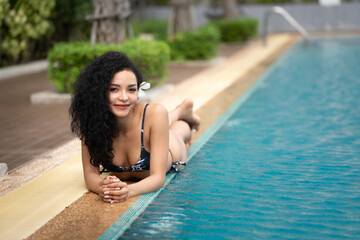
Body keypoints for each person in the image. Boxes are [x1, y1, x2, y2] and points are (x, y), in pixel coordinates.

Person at [69, 51, 200, 203]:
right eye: (114, 89)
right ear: (98, 92)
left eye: (131, 89)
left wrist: (127, 191)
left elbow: (158, 178)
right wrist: (103, 188)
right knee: (159, 125)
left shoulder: (155, 112)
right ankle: (180, 111)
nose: (124, 97)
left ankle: (181, 113)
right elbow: (90, 173)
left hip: (172, 149)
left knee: (177, 131)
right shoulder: (90, 121)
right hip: (144, 128)